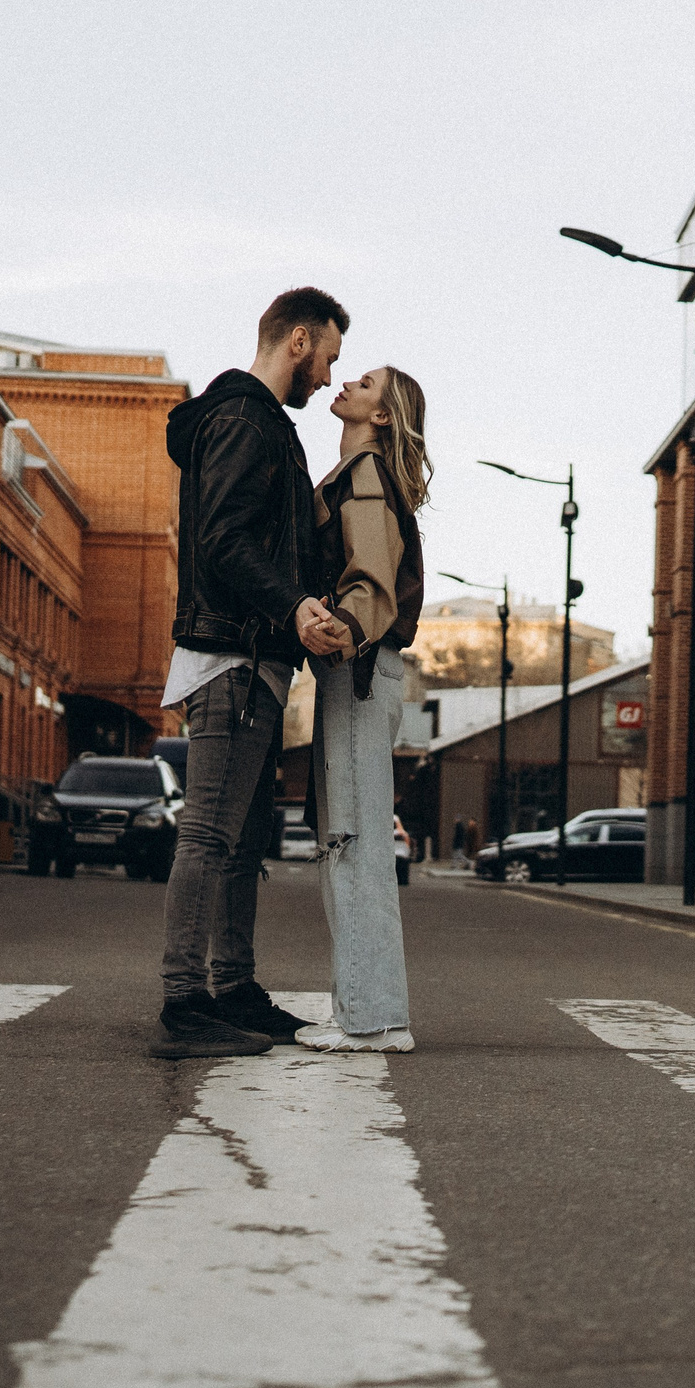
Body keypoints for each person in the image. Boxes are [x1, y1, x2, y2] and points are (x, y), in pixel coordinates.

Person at [150, 287, 353, 1058]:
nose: (330, 376)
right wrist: (295, 603)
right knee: (206, 833)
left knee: (239, 842)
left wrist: (306, 600)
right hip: (233, 655)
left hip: (256, 658)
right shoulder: (242, 418)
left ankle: (231, 987)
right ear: (298, 340)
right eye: (328, 356)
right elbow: (226, 542)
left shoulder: (260, 424)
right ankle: (182, 1004)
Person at [293, 365, 431, 1053]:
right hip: (358, 672)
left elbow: (371, 576)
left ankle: (376, 1020)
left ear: (383, 415)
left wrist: (343, 627)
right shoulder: (353, 473)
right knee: (342, 838)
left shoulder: (366, 473)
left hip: (361, 670)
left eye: (366, 383)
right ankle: (360, 1004)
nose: (345, 382)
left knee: (355, 841)